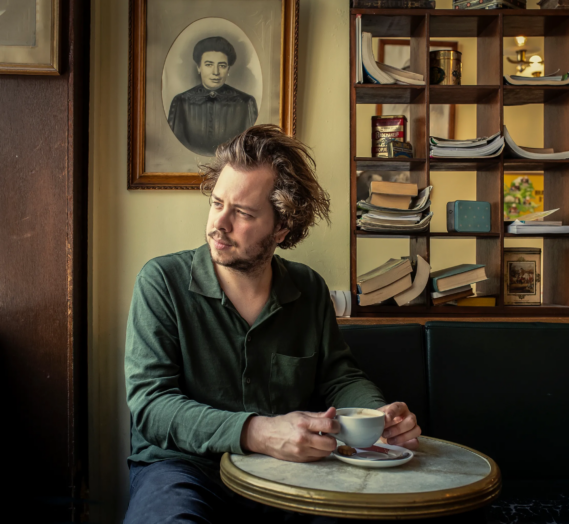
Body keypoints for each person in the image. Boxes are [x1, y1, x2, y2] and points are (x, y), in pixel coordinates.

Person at [123, 125, 421, 523]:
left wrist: (376, 416)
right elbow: (151, 405)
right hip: (183, 470)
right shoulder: (161, 283)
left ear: (281, 228)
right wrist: (258, 432)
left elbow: (338, 377)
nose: (220, 224)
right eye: (216, 204)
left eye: (243, 213)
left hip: (292, 477)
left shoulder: (308, 288)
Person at [167, 36, 259, 157]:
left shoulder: (246, 102)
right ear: (199, 67)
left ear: (228, 69)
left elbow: (253, 150)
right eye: (209, 64)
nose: (215, 72)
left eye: (222, 65)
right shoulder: (181, 101)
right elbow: (174, 149)